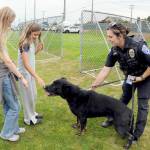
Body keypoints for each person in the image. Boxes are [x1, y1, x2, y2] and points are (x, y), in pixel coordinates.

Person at [91, 23, 150, 143]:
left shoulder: (138, 45)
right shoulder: (114, 51)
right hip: (130, 77)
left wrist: (141, 77)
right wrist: (95, 84)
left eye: (110, 37)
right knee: (124, 99)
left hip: (146, 76)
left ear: (120, 36)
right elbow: (106, 69)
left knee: (142, 105)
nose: (108, 39)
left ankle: (135, 135)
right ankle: (112, 118)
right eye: (108, 36)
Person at [0, 6, 28, 142]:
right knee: (15, 106)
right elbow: (7, 62)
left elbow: (5, 58)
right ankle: (6, 134)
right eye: (10, 22)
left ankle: (14, 128)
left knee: (10, 104)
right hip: (3, 76)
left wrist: (9, 60)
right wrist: (21, 77)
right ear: (4, 20)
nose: (10, 25)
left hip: (4, 73)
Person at [18, 22, 45, 125]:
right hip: (25, 74)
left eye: (38, 35)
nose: (36, 37)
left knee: (33, 94)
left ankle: (32, 114)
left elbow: (30, 56)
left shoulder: (31, 42)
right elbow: (25, 64)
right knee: (27, 96)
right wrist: (37, 77)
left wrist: (37, 50)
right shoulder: (25, 43)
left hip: (30, 73)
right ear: (29, 32)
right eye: (34, 34)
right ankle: (28, 120)